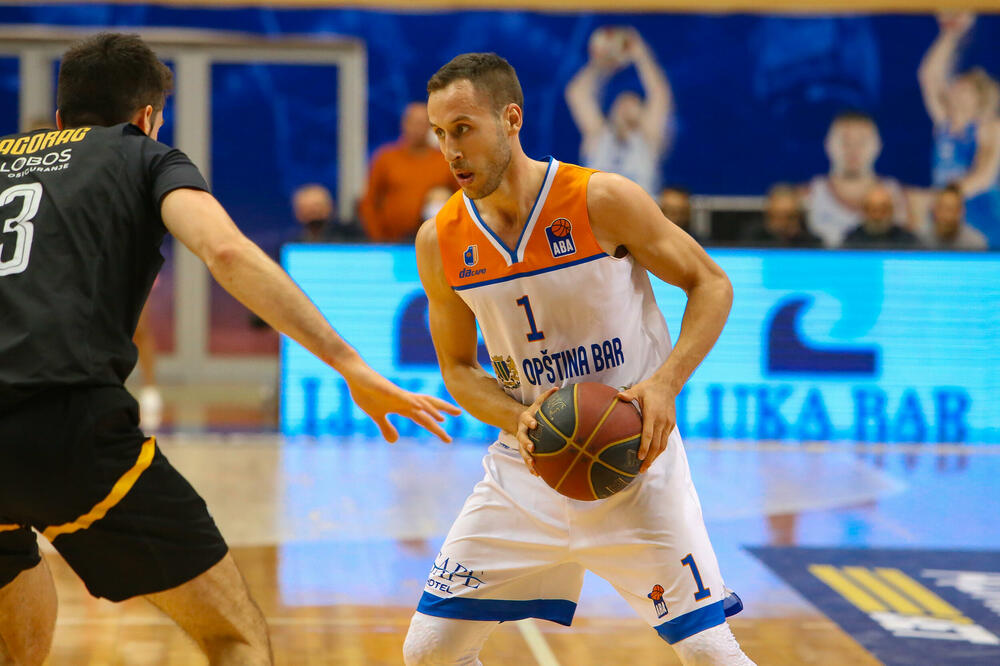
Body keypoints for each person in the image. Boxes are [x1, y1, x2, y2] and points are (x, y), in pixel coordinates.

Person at [0, 32, 460, 665]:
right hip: (66, 427)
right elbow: (225, 251)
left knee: (10, 551)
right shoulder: (146, 156)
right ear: (146, 119)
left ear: (58, 118)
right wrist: (351, 365)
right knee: (233, 634)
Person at [405, 53, 754, 666]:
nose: (450, 151)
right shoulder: (440, 240)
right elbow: (459, 370)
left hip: (635, 465)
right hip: (528, 471)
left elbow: (711, 284)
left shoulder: (602, 199)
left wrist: (666, 383)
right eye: (439, 134)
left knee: (711, 655)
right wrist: (516, 418)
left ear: (511, 119)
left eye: (463, 128)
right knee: (429, 652)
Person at [919, 12, 1000, 248]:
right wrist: (951, 33)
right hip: (946, 216)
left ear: (978, 97)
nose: (953, 92)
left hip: (980, 216)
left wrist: (946, 194)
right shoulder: (944, 121)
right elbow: (928, 77)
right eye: (954, 88)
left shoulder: (988, 127)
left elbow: (984, 177)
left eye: (963, 89)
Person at [565, 27, 673, 195]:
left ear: (643, 114)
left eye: (634, 102)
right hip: (598, 218)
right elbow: (576, 93)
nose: (626, 104)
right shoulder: (597, 137)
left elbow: (660, 94)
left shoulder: (649, 141)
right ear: (611, 111)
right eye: (621, 101)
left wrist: (641, 55)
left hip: (638, 219)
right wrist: (599, 65)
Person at [804, 111, 909, 248]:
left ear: (878, 145)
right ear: (827, 144)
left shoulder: (899, 195)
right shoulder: (808, 195)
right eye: (845, 142)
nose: (853, 150)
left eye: (861, 142)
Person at [359, 102, 456, 242]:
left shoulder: (446, 160)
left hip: (435, 243)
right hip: (390, 243)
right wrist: (377, 239)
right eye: (414, 123)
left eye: (424, 123)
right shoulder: (386, 158)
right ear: (404, 124)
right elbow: (369, 202)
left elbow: (462, 200)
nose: (418, 128)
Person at [842, 184, 923, 249]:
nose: (878, 216)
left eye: (883, 209)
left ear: (891, 211)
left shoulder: (908, 241)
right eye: (872, 209)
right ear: (864, 211)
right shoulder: (852, 240)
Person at [742, 184, 822, 248]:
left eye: (790, 217)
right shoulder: (752, 239)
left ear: (798, 216)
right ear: (768, 213)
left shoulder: (811, 244)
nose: (784, 224)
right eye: (778, 217)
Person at [920, 184, 987, 250]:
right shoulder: (920, 240)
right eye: (941, 207)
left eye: (950, 209)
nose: (945, 215)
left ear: (961, 211)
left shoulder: (976, 244)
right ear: (934, 209)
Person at [290, 183, 361, 243]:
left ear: (330, 207)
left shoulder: (349, 238)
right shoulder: (294, 243)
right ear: (297, 212)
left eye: (317, 206)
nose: (314, 212)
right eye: (307, 208)